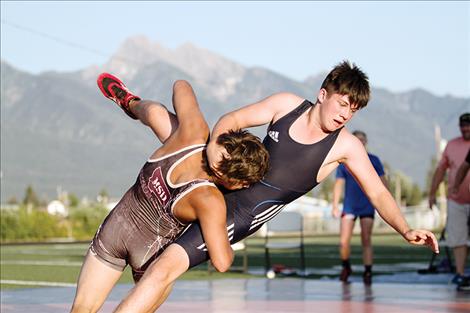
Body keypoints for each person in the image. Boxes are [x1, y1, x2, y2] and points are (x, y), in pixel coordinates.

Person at [109, 61, 438, 313]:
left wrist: (404, 229)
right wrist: (213, 152)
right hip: (224, 171)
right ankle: (130, 102)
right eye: (342, 103)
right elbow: (230, 120)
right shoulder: (286, 104)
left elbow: (377, 191)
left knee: (161, 271)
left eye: (353, 110)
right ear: (323, 95)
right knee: (175, 126)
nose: (345, 115)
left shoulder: (346, 147)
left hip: (236, 212)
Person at [70, 74, 269, 313]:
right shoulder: (210, 201)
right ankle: (131, 104)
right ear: (235, 181)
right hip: (150, 257)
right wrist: (233, 232)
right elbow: (222, 262)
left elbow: (181, 84)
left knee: (157, 114)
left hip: (115, 230)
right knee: (159, 279)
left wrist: (210, 138)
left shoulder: (194, 132)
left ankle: (130, 103)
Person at [332, 130, 386, 285]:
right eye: (358, 140)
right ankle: (346, 266)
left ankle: (368, 271)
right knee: (343, 241)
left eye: (363, 140)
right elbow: (339, 183)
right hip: (349, 206)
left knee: (366, 238)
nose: (360, 142)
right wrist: (335, 204)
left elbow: (383, 182)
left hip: (367, 205)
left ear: (366, 142)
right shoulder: (344, 160)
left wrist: (388, 203)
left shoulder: (374, 160)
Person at [429, 112, 470, 291]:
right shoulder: (452, 145)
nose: (466, 129)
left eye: (469, 126)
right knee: (458, 238)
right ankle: (460, 274)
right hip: (457, 200)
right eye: (463, 126)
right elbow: (444, 170)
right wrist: (432, 193)